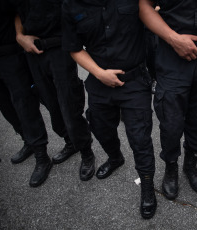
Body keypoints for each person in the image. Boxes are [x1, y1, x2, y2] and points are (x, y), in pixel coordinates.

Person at [62, 0, 156, 219]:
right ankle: (115, 158)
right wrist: (99, 73)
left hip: (134, 80)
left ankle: (147, 187)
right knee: (101, 128)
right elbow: (74, 48)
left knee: (140, 139)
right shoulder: (70, 5)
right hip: (99, 81)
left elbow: (155, 12)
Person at [139, 0, 197, 200]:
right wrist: (173, 38)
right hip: (172, 54)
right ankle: (171, 166)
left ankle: (190, 163)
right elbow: (144, 5)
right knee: (171, 121)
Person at [14, 0, 95, 181]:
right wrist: (20, 36)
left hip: (60, 47)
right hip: (33, 51)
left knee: (70, 107)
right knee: (53, 107)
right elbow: (16, 10)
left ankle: (86, 152)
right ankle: (70, 142)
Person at [0, 0, 51, 187]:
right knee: (5, 107)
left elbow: (18, 8)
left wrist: (19, 35)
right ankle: (28, 142)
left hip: (8, 52)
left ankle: (42, 155)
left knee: (24, 104)